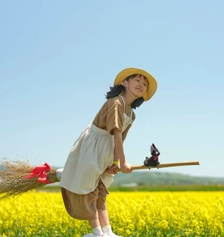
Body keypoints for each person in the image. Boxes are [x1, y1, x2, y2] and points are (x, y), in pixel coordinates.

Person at [58, 67, 158, 237]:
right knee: (90, 188)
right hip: (93, 146)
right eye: (138, 80)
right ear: (125, 83)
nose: (141, 85)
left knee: (102, 188)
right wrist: (123, 162)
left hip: (107, 147)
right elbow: (116, 133)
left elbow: (121, 138)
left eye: (144, 84)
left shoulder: (131, 114)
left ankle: (108, 232)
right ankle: (97, 233)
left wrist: (114, 163)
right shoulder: (115, 103)